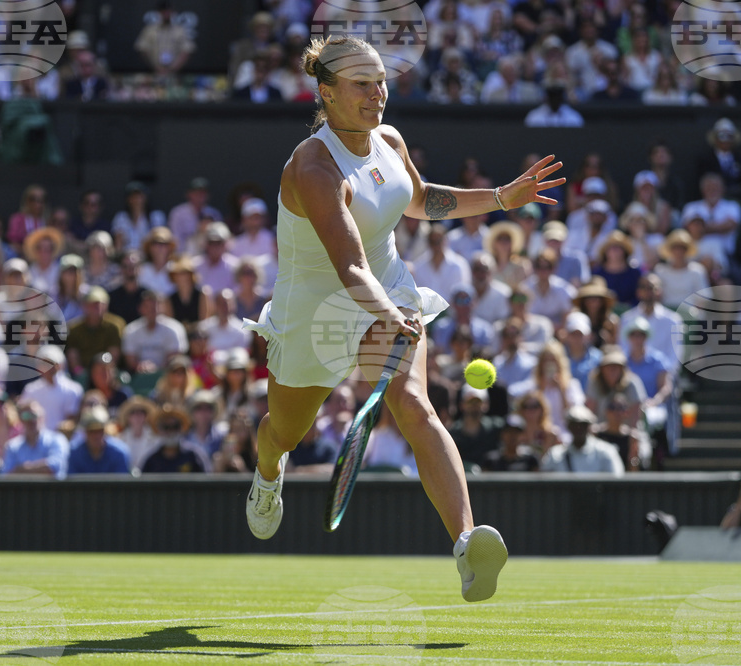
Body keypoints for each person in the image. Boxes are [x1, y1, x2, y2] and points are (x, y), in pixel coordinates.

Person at [240, 36, 565, 601]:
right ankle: (267, 475)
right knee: (283, 433)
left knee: (414, 404)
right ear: (328, 93)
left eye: (381, 80)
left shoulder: (388, 139)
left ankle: (466, 543)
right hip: (317, 311)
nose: (378, 93)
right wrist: (389, 313)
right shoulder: (313, 167)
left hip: (386, 284)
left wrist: (500, 198)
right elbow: (348, 266)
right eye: (362, 84)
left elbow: (419, 200)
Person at [540, 405, 625, 476]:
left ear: (589, 426)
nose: (578, 428)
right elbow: (544, 482)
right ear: (568, 426)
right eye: (574, 424)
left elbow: (617, 481)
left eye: (583, 425)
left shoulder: (605, 452)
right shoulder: (555, 455)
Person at [122, 290, 189, 373]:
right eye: (147, 307)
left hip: (168, 375)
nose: (152, 311)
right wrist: (141, 366)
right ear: (140, 308)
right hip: (139, 376)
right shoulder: (131, 330)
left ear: (162, 307)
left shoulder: (174, 329)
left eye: (155, 306)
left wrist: (156, 369)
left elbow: (176, 358)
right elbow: (130, 360)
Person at [20, 345, 82, 431]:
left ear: (60, 365)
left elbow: (72, 420)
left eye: (51, 363)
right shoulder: (30, 390)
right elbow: (23, 415)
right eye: (44, 363)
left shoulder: (73, 389)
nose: (48, 367)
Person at [65, 287, 125, 376]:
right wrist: (79, 372)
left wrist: (103, 372)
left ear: (106, 305)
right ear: (84, 306)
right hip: (83, 373)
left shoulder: (115, 326)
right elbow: (73, 355)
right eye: (92, 304)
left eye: (100, 304)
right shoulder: (74, 328)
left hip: (107, 372)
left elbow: (114, 355)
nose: (96, 308)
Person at [1, 400, 69, 479]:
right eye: (26, 416)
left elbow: (54, 467)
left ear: (43, 417)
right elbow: (6, 475)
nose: (31, 420)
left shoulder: (57, 440)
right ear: (21, 420)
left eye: (34, 415)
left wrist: (21, 469)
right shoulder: (12, 446)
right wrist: (40, 467)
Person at [134, 0, 195, 77]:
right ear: (159, 13)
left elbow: (187, 50)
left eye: (168, 11)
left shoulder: (180, 30)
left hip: (175, 72)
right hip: (153, 72)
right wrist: (156, 67)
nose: (166, 14)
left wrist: (173, 68)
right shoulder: (150, 30)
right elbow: (142, 49)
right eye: (164, 12)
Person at [140, 404, 205, 473]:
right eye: (166, 427)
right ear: (159, 430)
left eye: (175, 427)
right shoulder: (151, 460)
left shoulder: (193, 456)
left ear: (181, 428)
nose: (170, 432)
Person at [68, 406, 131, 475]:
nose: (96, 436)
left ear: (105, 431)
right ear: (85, 432)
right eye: (92, 431)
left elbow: (121, 482)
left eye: (100, 431)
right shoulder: (74, 453)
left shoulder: (119, 453)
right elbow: (72, 482)